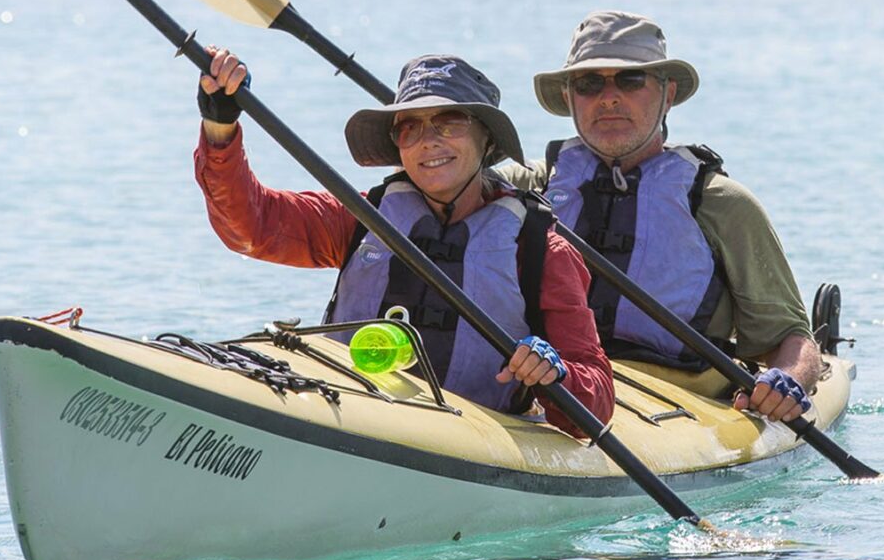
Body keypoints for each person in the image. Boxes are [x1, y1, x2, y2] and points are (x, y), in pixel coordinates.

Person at [193, 48, 613, 434]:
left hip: (470, 438)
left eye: (449, 122)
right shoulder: (362, 217)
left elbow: (596, 401)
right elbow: (249, 226)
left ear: (486, 139)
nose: (429, 141)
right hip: (351, 414)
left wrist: (554, 373)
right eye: (410, 127)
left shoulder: (542, 250)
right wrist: (220, 124)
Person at [498, 10, 820, 423]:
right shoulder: (524, 191)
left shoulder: (722, 204)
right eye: (589, 83)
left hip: (677, 405)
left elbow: (791, 336)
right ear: (568, 97)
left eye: (631, 80)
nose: (609, 97)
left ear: (667, 95)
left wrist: (788, 382)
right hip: (551, 383)